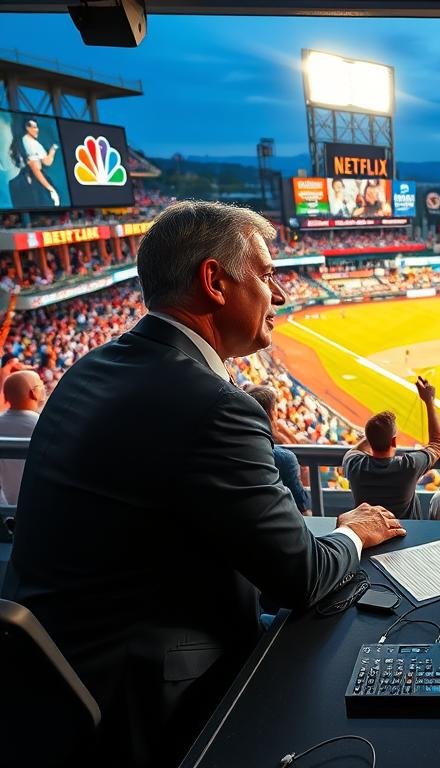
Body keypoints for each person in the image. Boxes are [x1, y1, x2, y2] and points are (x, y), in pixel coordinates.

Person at [1, 201, 407, 768]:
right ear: (214, 282)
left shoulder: (87, 370)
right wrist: (355, 533)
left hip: (57, 682)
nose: (281, 295)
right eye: (266, 276)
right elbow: (303, 577)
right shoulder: (214, 405)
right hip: (147, 700)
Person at [343, 376, 440, 519]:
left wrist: (375, 434)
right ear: (394, 442)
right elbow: (438, 443)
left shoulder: (354, 464)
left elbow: (356, 450)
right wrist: (429, 401)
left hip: (369, 535)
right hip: (406, 534)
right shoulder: (409, 465)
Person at [242, 383, 311, 514]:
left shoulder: (229, 447)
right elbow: (304, 509)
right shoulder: (284, 458)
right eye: (275, 411)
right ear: (270, 414)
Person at [0, 370, 45, 506]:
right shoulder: (43, 425)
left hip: (4, 505)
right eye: (40, 385)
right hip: (35, 505)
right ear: (34, 393)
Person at [7, 117, 61, 208]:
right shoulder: (27, 141)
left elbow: (47, 162)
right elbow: (34, 168)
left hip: (37, 179)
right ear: (27, 128)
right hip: (33, 180)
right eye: (34, 127)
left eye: (37, 127)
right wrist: (51, 189)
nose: (37, 130)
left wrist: (53, 149)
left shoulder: (35, 143)